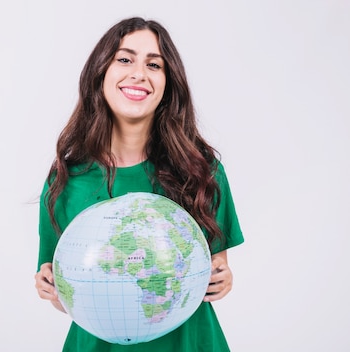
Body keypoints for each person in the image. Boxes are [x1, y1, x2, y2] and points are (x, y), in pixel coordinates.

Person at [33, 16, 245, 351]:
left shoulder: (201, 170)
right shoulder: (65, 179)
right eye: (125, 59)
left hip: (189, 343)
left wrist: (221, 280)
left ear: (168, 82)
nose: (139, 74)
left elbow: (218, 269)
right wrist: (51, 290)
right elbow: (63, 292)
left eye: (154, 64)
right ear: (100, 72)